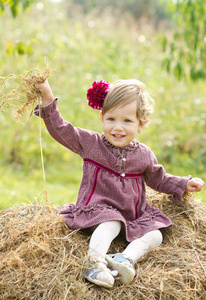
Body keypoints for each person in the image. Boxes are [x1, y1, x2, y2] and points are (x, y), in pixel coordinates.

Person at [34, 78, 204, 289]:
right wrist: (48, 98)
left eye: (127, 121)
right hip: (97, 211)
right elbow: (62, 129)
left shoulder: (143, 154)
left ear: (140, 124)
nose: (118, 127)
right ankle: (94, 262)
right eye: (111, 119)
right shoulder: (91, 144)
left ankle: (125, 259)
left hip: (131, 216)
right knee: (111, 222)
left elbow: (159, 178)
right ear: (102, 117)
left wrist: (184, 184)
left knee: (156, 234)